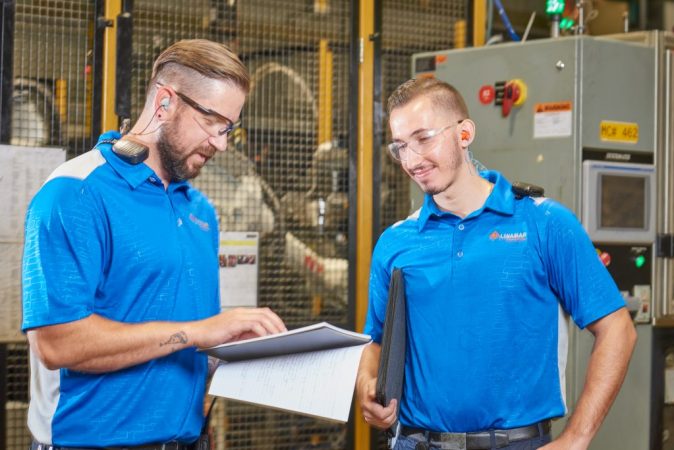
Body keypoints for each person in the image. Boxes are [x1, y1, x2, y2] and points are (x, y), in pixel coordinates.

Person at [22, 39, 287, 449]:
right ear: (165, 102)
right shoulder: (74, 194)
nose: (221, 144)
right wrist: (200, 332)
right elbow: (57, 342)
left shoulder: (199, 209)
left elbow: (189, 336)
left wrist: (228, 349)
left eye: (229, 129)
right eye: (213, 123)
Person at [356, 78, 637, 450]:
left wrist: (576, 439)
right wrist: (367, 385)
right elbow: (374, 342)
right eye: (400, 146)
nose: (411, 161)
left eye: (424, 139)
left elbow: (618, 329)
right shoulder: (396, 241)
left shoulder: (543, 224)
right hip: (414, 442)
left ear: (465, 133)